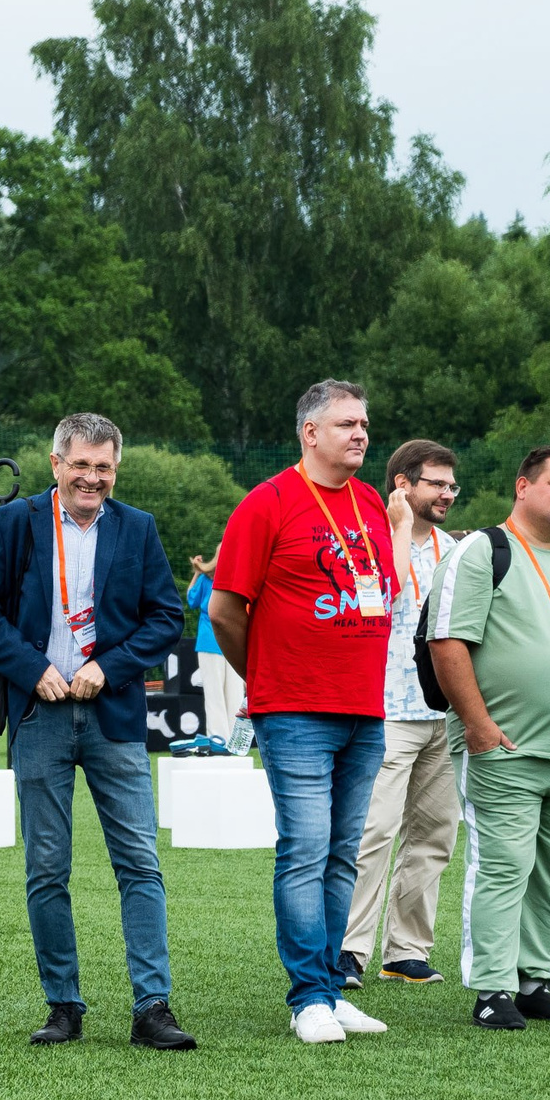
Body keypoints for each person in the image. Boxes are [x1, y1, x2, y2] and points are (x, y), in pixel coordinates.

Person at [0, 414, 195, 1050]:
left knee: (140, 863)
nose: (93, 477)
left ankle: (153, 1006)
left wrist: (109, 668)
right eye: (82, 465)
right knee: (46, 867)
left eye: (105, 467)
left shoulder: (138, 527)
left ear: (115, 469)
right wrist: (32, 669)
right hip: (40, 715)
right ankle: (63, 1004)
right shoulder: (12, 525)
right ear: (56, 464)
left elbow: (164, 616)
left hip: (113, 714)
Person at [208, 380, 400, 1045]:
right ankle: (308, 998)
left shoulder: (372, 501)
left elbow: (384, 593)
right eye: (347, 422)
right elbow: (225, 610)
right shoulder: (267, 504)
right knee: (306, 850)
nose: (361, 433)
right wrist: (264, 676)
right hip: (294, 708)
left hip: (364, 708)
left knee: (344, 854)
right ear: (309, 432)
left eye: (365, 423)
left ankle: (329, 985)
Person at [427, 447, 550, 1029]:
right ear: (523, 486)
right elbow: (447, 641)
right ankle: (492, 989)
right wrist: (479, 726)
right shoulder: (483, 550)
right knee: (503, 866)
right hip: (504, 749)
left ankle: (535, 978)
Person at [341, 440, 462, 986]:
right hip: (386, 710)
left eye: (451, 486)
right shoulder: (365, 539)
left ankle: (406, 949)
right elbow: (380, 597)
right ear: (402, 485)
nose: (447, 494)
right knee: (373, 834)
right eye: (436, 483)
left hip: (444, 712)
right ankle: (348, 950)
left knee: (436, 834)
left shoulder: (458, 550)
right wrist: (393, 529)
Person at [184, 549, 240, 743]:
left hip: (209, 641)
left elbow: (191, 599)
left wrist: (197, 573)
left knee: (215, 693)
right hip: (234, 642)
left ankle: (218, 739)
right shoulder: (237, 579)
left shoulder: (207, 580)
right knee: (234, 693)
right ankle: (234, 739)